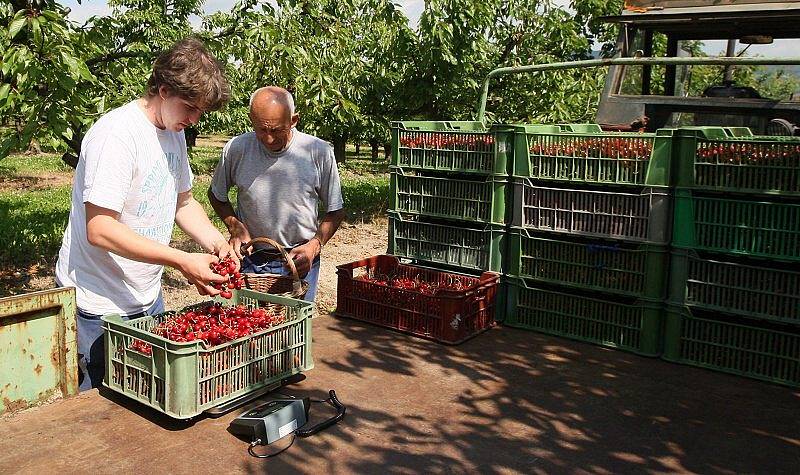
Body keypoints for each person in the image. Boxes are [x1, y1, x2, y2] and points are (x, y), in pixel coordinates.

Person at [55, 38, 237, 391]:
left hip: (146, 297)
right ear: (163, 90)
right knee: (100, 411)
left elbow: (182, 201)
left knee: (146, 397)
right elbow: (100, 228)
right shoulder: (117, 136)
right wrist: (181, 260)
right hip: (98, 304)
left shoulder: (173, 131)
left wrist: (216, 242)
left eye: (201, 111)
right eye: (189, 107)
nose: (194, 119)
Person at [208, 86, 345, 302]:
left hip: (299, 261)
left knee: (295, 330)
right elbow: (217, 195)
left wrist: (314, 246)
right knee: (252, 327)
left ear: (294, 120)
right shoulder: (237, 149)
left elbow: (335, 210)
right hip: (251, 259)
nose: (269, 139)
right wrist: (235, 226)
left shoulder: (318, 152)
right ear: (251, 119)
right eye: (261, 129)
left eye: (277, 130)